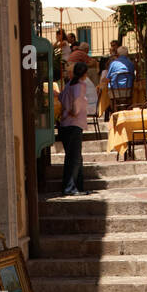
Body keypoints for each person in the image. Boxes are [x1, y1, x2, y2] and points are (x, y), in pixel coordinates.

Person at [57, 59, 89, 196]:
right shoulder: (80, 85)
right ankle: (71, 187)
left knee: (73, 157)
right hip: (74, 124)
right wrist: (74, 111)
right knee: (74, 158)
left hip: (65, 124)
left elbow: (61, 98)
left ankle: (77, 186)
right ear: (85, 74)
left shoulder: (69, 84)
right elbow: (77, 100)